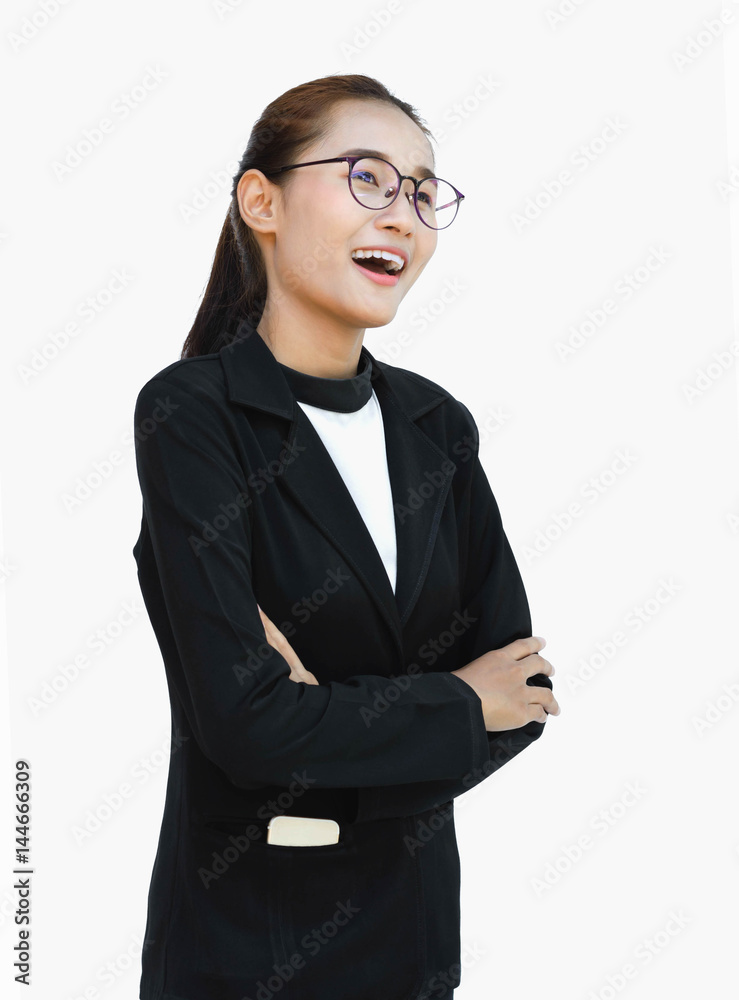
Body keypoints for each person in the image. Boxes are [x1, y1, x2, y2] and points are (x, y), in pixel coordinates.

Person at [132, 72, 560, 1000]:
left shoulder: (436, 424)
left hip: (412, 939)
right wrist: (451, 705)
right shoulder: (193, 415)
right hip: (245, 942)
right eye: (366, 177)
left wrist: (322, 727)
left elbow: (521, 694)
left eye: (420, 190)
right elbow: (243, 723)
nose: (402, 215)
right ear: (262, 200)